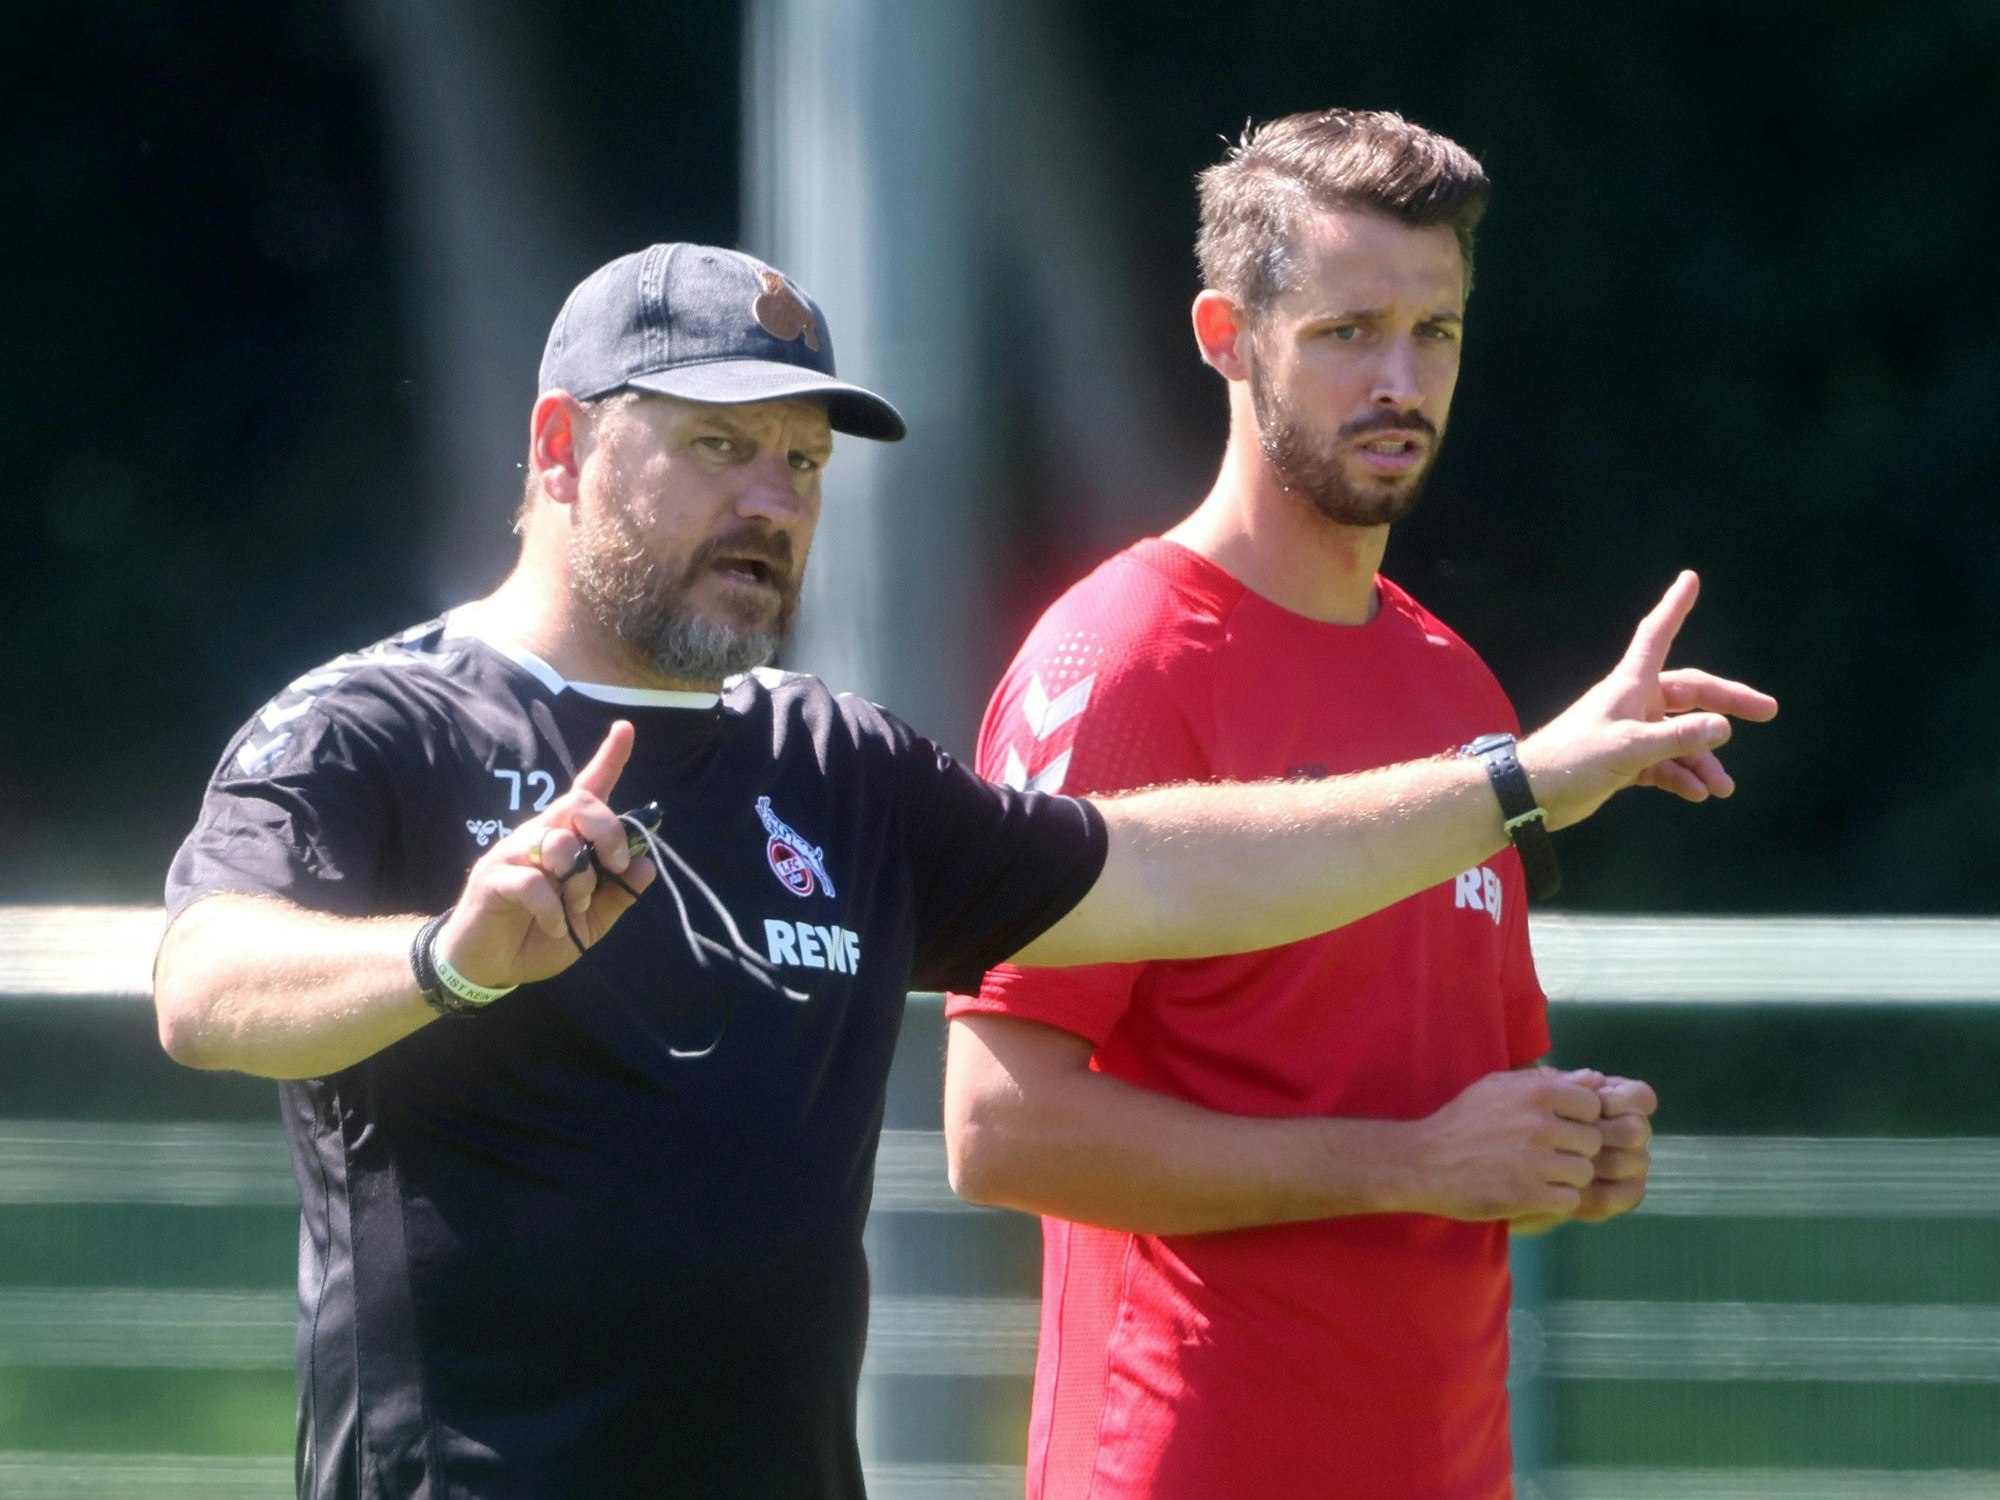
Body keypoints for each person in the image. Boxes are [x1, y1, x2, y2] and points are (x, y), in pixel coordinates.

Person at [152, 241, 1771, 1500]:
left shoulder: (837, 765)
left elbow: (1170, 873)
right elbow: (206, 987)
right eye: (722, 447)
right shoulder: (380, 723)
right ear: (562, 445)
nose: (771, 501)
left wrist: (1519, 783)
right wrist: (449, 961)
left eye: (800, 462)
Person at [943, 110, 1748, 1499]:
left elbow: (1446, 1111)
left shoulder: (1458, 686)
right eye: (1346, 331)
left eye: (1434, 332)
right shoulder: (1117, 659)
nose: (1400, 379)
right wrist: (1411, 1163)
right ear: (1225, 334)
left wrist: (1561, 1145)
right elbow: (999, 1129)